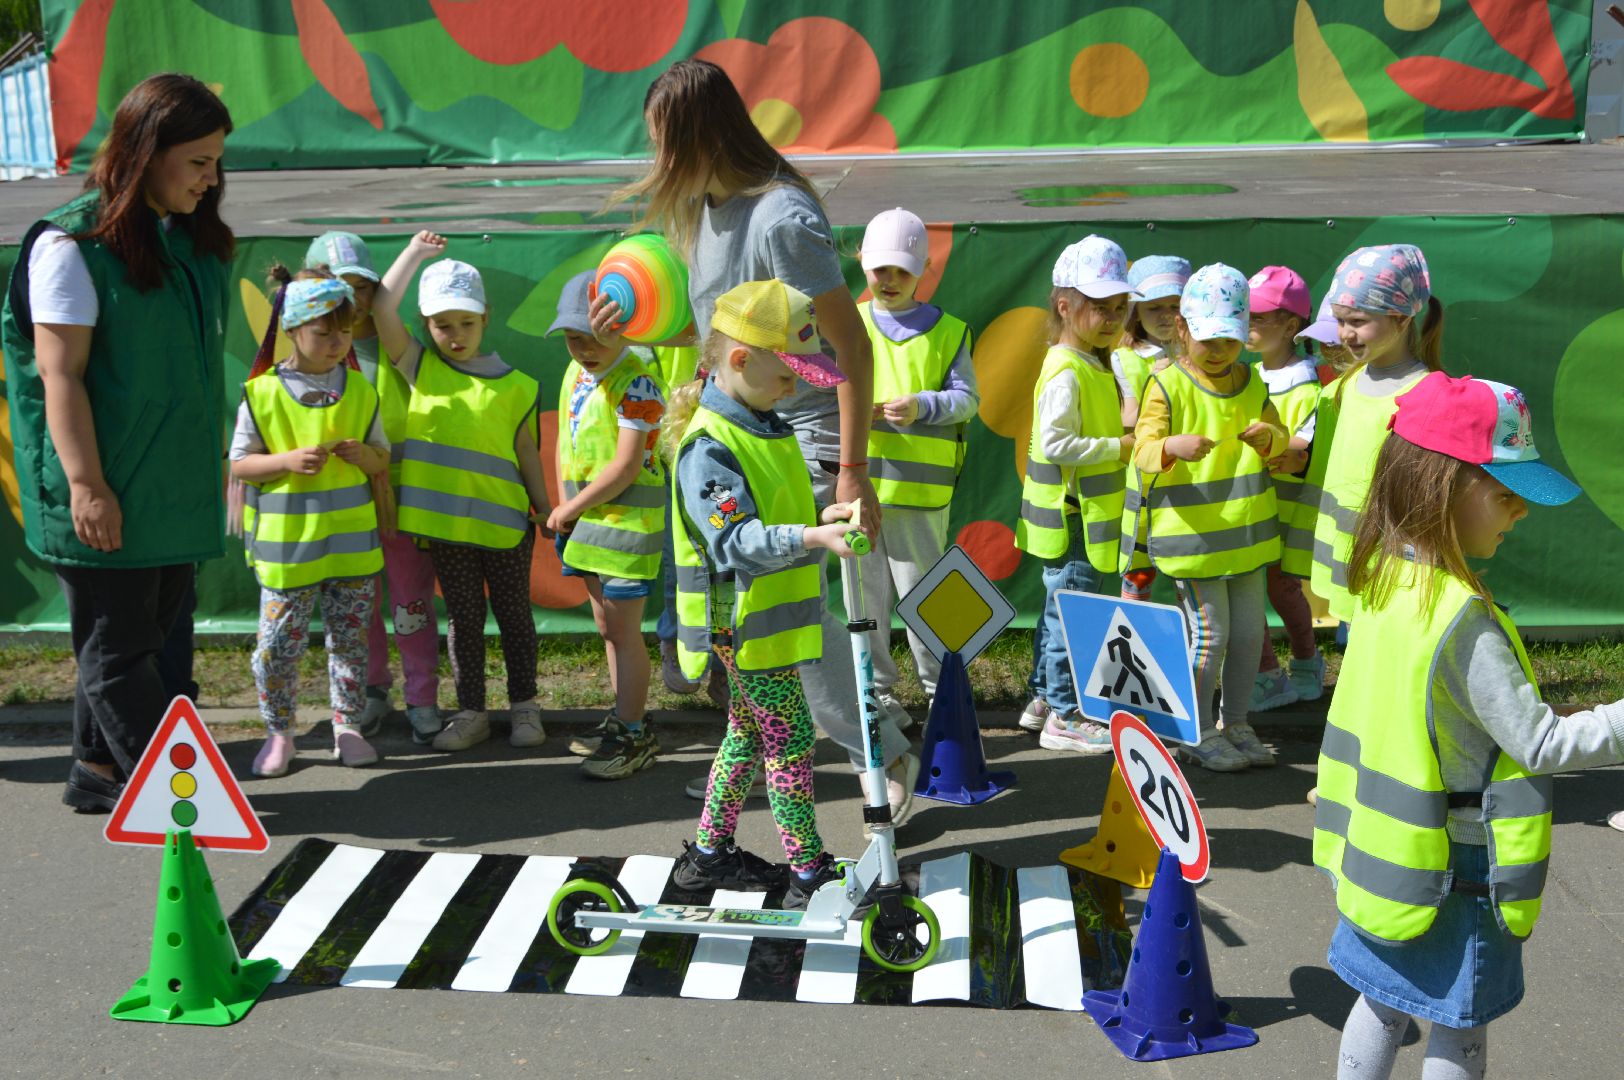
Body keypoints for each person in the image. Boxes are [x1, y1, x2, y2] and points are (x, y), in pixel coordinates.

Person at [594, 58, 916, 821]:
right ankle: (768, 753)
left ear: (702, 135)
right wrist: (663, 348)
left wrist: (852, 471)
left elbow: (844, 351)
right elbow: (731, 332)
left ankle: (883, 744)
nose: (658, 162)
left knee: (782, 604)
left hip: (797, 431)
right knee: (748, 612)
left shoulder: (783, 218)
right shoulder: (706, 210)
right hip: (736, 431)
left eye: (664, 143)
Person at [1315, 372, 1624, 1080]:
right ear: (1440, 485)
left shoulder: (1386, 579)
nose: (1519, 513)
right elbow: (1539, 742)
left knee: (1383, 999)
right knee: (1462, 1020)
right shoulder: (1465, 623)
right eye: (1505, 494)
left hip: (1383, 853)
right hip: (1456, 869)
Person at [1, 74, 233, 812]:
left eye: (217, 161)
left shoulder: (176, 241)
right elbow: (58, 375)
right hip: (111, 490)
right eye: (198, 161)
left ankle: (96, 773)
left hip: (167, 489)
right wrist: (86, 485)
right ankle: (173, 797)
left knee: (149, 638)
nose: (212, 178)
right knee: (122, 652)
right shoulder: (71, 246)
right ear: (146, 151)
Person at [664, 279, 860, 909]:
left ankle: (709, 854)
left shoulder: (764, 423)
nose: (797, 386)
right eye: (788, 373)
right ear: (741, 359)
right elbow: (733, 540)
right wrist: (812, 535)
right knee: (791, 739)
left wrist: (824, 520)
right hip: (740, 622)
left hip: (766, 620)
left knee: (748, 734)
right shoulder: (709, 447)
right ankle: (806, 871)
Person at [373, 233, 552, 752]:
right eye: (442, 325)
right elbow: (383, 305)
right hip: (448, 532)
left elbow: (525, 452)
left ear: (486, 318)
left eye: (466, 323)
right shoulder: (419, 367)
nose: (455, 335)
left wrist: (544, 509)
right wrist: (412, 252)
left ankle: (525, 710)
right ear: (426, 326)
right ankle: (471, 713)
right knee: (465, 623)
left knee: (515, 618)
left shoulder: (519, 385)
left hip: (506, 529)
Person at [1122, 264, 1287, 772]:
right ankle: (1193, 733)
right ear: (1183, 330)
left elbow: (1280, 440)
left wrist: (1271, 439)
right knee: (1210, 637)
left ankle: (1235, 723)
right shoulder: (1165, 384)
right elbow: (1142, 452)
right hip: (1192, 544)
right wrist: (1171, 445)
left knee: (1248, 637)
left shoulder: (1251, 380)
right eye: (1208, 338)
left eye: (1231, 340)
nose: (1219, 351)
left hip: (1247, 538)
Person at [232, 270, 388, 775]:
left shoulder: (363, 391)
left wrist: (367, 455)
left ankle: (347, 727)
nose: (336, 342)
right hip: (285, 552)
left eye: (343, 331)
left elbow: (382, 458)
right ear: (293, 330)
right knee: (277, 648)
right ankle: (280, 733)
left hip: (351, 548)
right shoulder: (261, 393)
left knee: (349, 642)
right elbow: (238, 465)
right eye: (323, 332)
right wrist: (285, 462)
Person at [303, 231, 442, 744]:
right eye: (341, 287)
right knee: (358, 609)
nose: (355, 300)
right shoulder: (308, 352)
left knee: (411, 604)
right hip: (343, 505)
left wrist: (413, 252)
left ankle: (423, 698)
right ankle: (371, 690)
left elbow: (385, 302)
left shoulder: (390, 340)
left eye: (363, 286)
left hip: (400, 499)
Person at [854, 208, 978, 728]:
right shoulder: (848, 323)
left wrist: (923, 405)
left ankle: (943, 692)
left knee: (928, 596)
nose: (889, 280)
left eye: (902, 270)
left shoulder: (948, 331)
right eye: (881, 268)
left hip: (920, 496)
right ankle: (878, 694)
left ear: (922, 270)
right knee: (865, 599)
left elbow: (967, 399)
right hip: (855, 488)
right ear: (863, 264)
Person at [1014, 236, 1135, 752]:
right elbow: (1057, 442)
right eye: (1098, 307)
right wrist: (1120, 445)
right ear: (1065, 307)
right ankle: (1064, 716)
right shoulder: (1068, 368)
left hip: (1080, 516)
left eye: (1118, 307)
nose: (1111, 318)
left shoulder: (1093, 362)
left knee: (1059, 608)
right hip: (1074, 519)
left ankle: (1044, 696)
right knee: (1072, 614)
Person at [548, 271, 667, 780]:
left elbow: (625, 466)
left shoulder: (639, 381)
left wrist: (568, 510)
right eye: (574, 337)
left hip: (626, 528)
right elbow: (562, 445)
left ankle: (634, 732)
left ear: (625, 328)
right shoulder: (575, 374)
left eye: (596, 337)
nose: (584, 348)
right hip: (585, 524)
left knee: (623, 628)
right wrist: (565, 507)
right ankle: (622, 719)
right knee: (607, 628)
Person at [1308, 244, 1444, 622]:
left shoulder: (1426, 392)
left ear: (1401, 319)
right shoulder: (1346, 385)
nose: (1345, 334)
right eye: (1340, 321)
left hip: (1392, 561)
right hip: (1346, 554)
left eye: (1357, 321)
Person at [1245, 265, 1325, 711]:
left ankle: (1305, 663)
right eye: (1247, 315)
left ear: (1291, 326)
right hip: (1247, 505)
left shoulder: (1309, 384)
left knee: (1280, 588)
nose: (1248, 326)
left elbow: (1299, 453)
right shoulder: (1249, 376)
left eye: (1259, 317)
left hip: (1284, 508)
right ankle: (1268, 673)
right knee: (1248, 589)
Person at [1114, 255, 1188, 603]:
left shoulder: (1204, 353)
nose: (1164, 316)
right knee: (1140, 567)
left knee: (1189, 569)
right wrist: (1159, 384)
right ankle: (1134, 642)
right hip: (1147, 480)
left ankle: (1190, 645)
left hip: (1190, 477)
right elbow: (1128, 421)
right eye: (1153, 306)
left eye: (1174, 305)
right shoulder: (1126, 357)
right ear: (1135, 312)